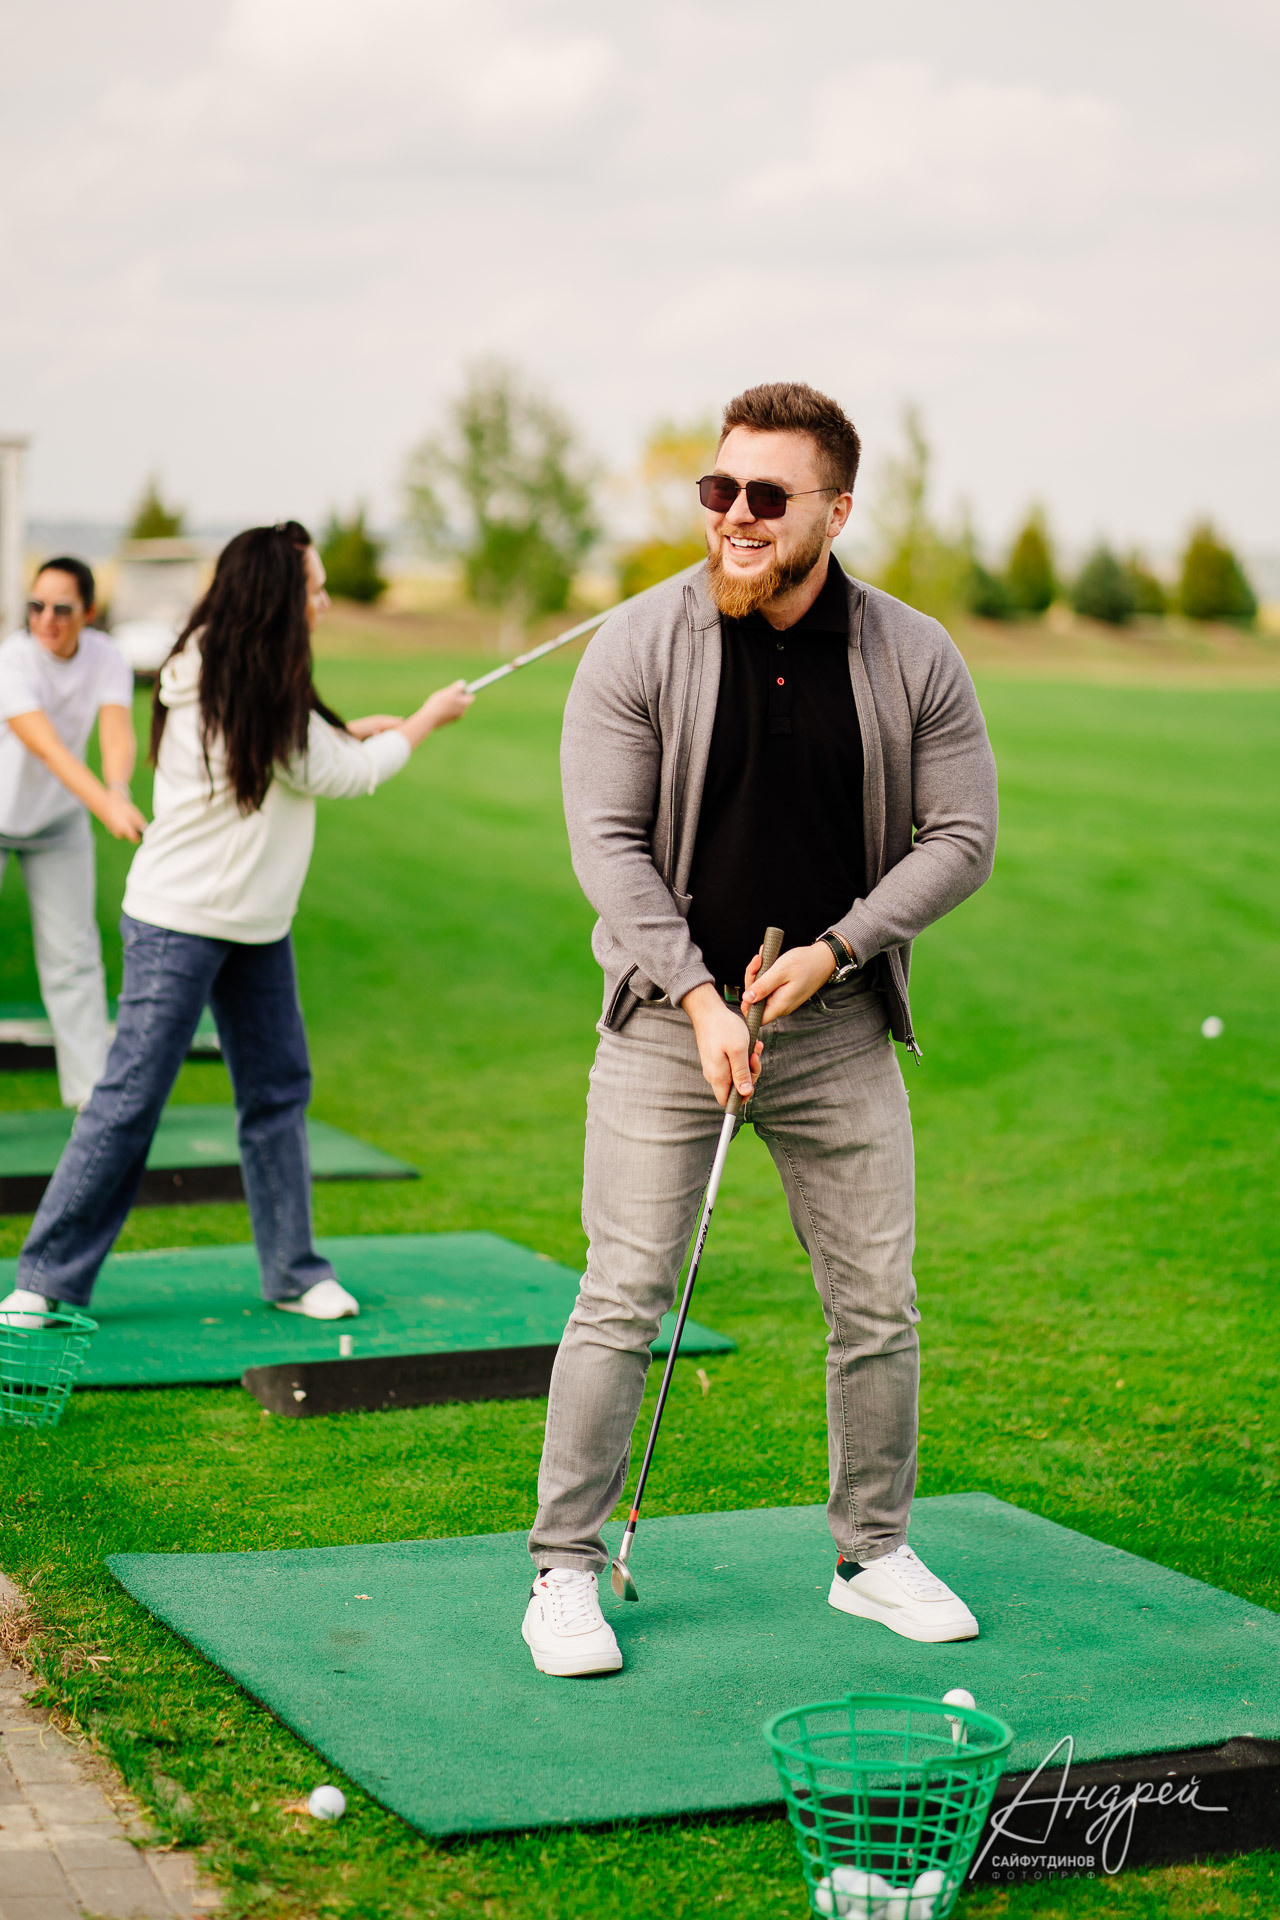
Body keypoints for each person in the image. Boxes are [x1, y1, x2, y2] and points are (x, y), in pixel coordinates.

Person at [522, 382, 999, 1678]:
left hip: (834, 1027)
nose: (734, 514)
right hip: (661, 1024)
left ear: (835, 513)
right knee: (622, 1296)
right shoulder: (636, 643)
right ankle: (564, 1570)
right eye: (718, 489)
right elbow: (607, 847)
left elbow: (961, 838)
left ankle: (872, 1555)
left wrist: (838, 950)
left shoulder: (914, 654)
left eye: (767, 495)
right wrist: (695, 998)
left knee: (877, 1304)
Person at [0, 520, 472, 1329]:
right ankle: (44, 1279)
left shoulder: (235, 662)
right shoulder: (239, 679)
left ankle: (292, 1271)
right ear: (278, 596)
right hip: (178, 922)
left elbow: (290, 752)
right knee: (128, 1099)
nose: (324, 601)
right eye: (314, 588)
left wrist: (343, 729)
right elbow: (343, 776)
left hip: (256, 923)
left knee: (277, 1089)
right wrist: (426, 719)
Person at [0, 557, 144, 1107]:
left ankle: (91, 1101)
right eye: (36, 606)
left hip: (58, 824)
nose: (46, 620)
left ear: (89, 611)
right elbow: (50, 751)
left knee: (74, 956)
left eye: (62, 609)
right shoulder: (13, 660)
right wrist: (106, 806)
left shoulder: (107, 656)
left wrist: (119, 789)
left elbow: (116, 732)